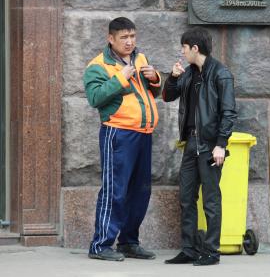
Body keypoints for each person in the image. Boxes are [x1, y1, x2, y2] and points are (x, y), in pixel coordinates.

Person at [83, 17, 161, 261]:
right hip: (118, 133)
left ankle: (129, 242)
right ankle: (100, 245)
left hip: (143, 133)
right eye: (124, 38)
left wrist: (155, 77)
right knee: (114, 191)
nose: (129, 42)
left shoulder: (141, 58)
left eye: (133, 36)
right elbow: (95, 98)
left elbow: (151, 92)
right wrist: (120, 78)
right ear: (111, 39)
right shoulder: (98, 66)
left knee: (140, 192)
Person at [162, 27, 237, 266]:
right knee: (186, 197)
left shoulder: (220, 74)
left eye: (184, 48)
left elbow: (229, 113)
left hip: (210, 145)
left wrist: (220, 145)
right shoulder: (189, 73)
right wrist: (173, 77)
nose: (182, 52)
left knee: (211, 200)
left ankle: (211, 251)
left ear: (195, 48)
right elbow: (167, 96)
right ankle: (190, 249)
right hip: (191, 143)